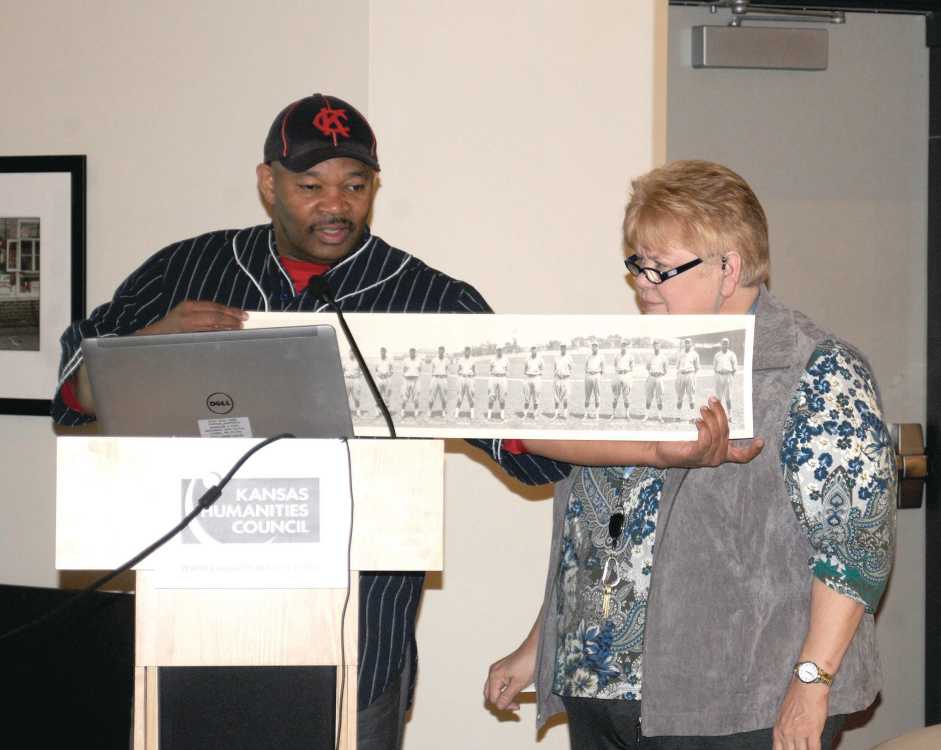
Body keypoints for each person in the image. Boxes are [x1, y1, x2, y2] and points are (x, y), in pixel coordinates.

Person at [48, 92, 580, 750]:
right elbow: (71, 398)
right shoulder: (188, 268)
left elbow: (532, 452)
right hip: (192, 632)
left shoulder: (430, 300)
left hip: (358, 645)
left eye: (355, 185)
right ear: (267, 183)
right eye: (311, 185)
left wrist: (632, 433)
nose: (336, 206)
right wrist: (148, 347)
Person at [484, 160, 895, 750]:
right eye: (637, 264)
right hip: (602, 695)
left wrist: (812, 684)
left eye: (661, 268)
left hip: (740, 707)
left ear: (729, 267)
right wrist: (540, 647)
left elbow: (856, 547)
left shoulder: (816, 370)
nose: (643, 283)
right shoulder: (630, 364)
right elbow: (605, 533)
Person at [713, 337, 738, 422]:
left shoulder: (732, 354)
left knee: (728, 397)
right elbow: (714, 367)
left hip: (728, 376)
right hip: (719, 376)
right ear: (721, 344)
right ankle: (718, 416)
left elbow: (735, 367)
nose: (725, 345)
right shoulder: (717, 355)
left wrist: (730, 376)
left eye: (726, 343)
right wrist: (718, 374)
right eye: (723, 343)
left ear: (728, 344)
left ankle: (730, 416)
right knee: (718, 397)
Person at [674, 338, 700, 417]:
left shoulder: (695, 354)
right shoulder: (680, 353)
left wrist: (693, 376)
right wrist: (679, 374)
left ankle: (692, 417)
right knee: (679, 396)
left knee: (691, 396)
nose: (687, 344)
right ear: (684, 344)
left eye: (688, 343)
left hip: (690, 375)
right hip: (681, 375)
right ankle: (678, 416)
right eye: (685, 343)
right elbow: (677, 366)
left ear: (691, 344)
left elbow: (697, 367)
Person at [643, 340, 667, 422]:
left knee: (659, 398)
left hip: (659, 378)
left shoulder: (663, 357)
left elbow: (666, 370)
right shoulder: (650, 357)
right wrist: (652, 373)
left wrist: (659, 375)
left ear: (660, 346)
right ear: (653, 346)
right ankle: (646, 416)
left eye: (657, 345)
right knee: (648, 397)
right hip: (651, 377)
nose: (656, 347)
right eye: (654, 345)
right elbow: (647, 367)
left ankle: (660, 416)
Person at [611, 341, 634, 420]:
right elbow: (615, 365)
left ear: (627, 347)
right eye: (622, 345)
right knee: (615, 396)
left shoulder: (630, 356)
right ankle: (613, 414)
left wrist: (628, 376)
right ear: (620, 346)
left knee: (626, 396)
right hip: (618, 375)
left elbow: (632, 367)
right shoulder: (617, 356)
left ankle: (627, 414)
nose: (624, 347)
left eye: (625, 346)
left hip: (626, 375)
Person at [584, 342, 605, 419]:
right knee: (587, 395)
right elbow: (585, 367)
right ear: (591, 348)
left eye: (596, 346)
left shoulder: (601, 357)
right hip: (589, 376)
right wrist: (588, 372)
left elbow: (603, 368)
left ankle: (597, 414)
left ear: (598, 347)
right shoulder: (588, 356)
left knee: (597, 395)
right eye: (593, 347)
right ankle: (586, 413)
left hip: (597, 376)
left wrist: (598, 374)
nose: (594, 348)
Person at [454, 346, 477, 420]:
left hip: (470, 378)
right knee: (460, 395)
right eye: (466, 351)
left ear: (470, 352)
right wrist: (459, 378)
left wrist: (472, 379)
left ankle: (472, 414)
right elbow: (458, 370)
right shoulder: (461, 360)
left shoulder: (473, 360)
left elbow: (474, 371)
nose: (467, 352)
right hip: (462, 378)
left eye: (468, 351)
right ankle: (457, 413)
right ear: (464, 352)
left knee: (470, 396)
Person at [428, 345, 450, 418]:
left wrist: (445, 377)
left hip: (443, 378)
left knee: (444, 397)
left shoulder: (446, 360)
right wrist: (433, 378)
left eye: (442, 351)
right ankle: (430, 411)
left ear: (444, 351)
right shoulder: (434, 360)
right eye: (440, 351)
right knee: (431, 396)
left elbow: (447, 369)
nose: (441, 352)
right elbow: (432, 369)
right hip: (435, 378)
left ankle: (443, 411)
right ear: (438, 351)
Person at [487, 347, 509, 420]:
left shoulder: (506, 359)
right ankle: (489, 415)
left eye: (501, 350)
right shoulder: (492, 359)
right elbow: (490, 369)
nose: (499, 351)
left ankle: (502, 415)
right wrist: (491, 378)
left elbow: (507, 370)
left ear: (502, 350)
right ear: (496, 350)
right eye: (498, 350)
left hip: (502, 378)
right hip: (493, 378)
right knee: (491, 397)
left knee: (502, 398)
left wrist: (504, 376)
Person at [523, 346, 544, 419]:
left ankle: (535, 414)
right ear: (531, 350)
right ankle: (525, 414)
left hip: (536, 378)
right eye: (532, 349)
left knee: (536, 398)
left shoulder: (540, 359)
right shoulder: (527, 358)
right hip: (528, 378)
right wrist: (528, 374)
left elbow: (542, 368)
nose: (534, 351)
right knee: (526, 397)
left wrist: (537, 373)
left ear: (536, 350)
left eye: (535, 349)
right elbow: (525, 368)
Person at [401, 347, 422, 417]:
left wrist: (416, 377)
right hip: (407, 380)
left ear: (415, 353)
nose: (412, 354)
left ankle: (416, 411)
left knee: (416, 397)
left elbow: (420, 370)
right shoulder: (406, 360)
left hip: (415, 380)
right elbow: (403, 371)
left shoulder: (418, 360)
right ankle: (402, 411)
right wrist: (404, 381)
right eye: (411, 352)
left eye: (413, 352)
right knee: (404, 397)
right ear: (409, 353)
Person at [375, 347, 394, 416]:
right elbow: (376, 370)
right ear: (380, 352)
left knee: (387, 395)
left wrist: (388, 374)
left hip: (387, 379)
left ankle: (387, 411)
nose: (382, 353)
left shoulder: (389, 360)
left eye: (384, 352)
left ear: (386, 352)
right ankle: (377, 411)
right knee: (378, 395)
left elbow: (392, 371)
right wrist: (379, 374)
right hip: (379, 379)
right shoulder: (377, 360)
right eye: (381, 352)